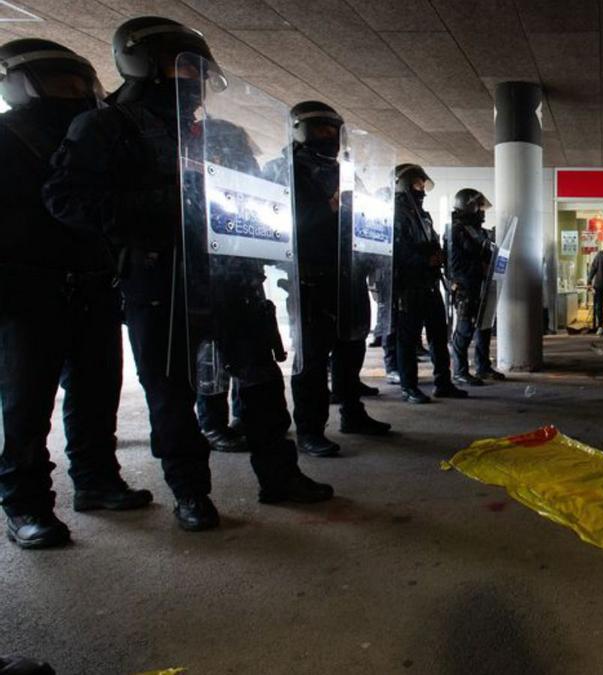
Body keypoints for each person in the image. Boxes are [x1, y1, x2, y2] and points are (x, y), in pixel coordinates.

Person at [43, 16, 333, 532]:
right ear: (144, 63)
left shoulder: (222, 134)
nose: (195, 81)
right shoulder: (106, 126)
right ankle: (192, 494)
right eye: (182, 69)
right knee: (172, 395)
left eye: (199, 71)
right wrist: (163, 206)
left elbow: (251, 201)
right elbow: (66, 199)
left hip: (234, 282)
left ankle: (280, 476)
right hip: (161, 282)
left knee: (262, 385)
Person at [0, 39, 154, 549]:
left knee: (96, 395)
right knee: (26, 407)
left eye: (80, 83)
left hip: (94, 284)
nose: (77, 93)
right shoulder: (4, 138)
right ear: (20, 85)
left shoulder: (101, 137)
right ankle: (26, 505)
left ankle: (95, 481)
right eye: (62, 83)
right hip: (27, 291)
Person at [287, 101, 390, 458]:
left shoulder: (345, 171)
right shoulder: (286, 169)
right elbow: (283, 224)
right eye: (321, 129)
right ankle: (310, 430)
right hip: (311, 279)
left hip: (349, 276)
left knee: (351, 350)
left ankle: (352, 413)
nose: (329, 136)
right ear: (302, 129)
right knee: (312, 361)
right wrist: (329, 207)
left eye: (334, 130)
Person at [390, 163, 468, 404]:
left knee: (438, 335)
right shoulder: (395, 213)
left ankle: (443, 382)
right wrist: (424, 258)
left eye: (423, 184)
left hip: (429, 283)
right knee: (409, 340)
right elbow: (396, 251)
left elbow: (431, 243)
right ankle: (409, 387)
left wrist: (438, 256)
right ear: (404, 184)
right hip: (409, 285)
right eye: (418, 184)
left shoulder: (422, 215)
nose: (422, 189)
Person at [447, 188, 505, 385]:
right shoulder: (455, 230)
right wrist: (479, 265)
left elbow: (486, 252)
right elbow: (453, 264)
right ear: (469, 206)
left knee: (484, 326)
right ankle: (460, 371)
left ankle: (482, 366)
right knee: (464, 329)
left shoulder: (478, 231)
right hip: (466, 286)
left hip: (482, 284)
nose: (482, 211)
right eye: (479, 207)